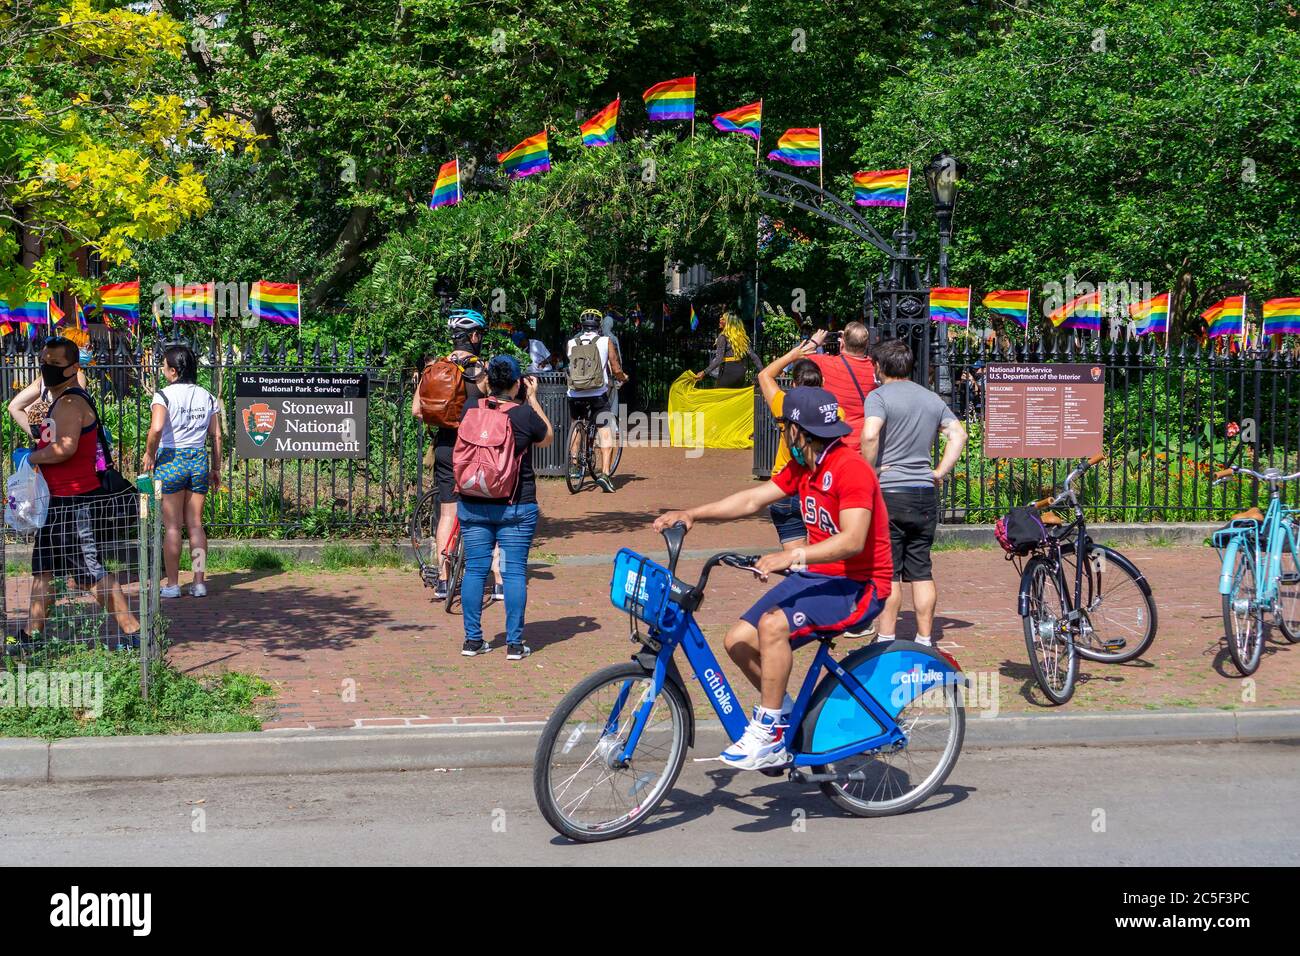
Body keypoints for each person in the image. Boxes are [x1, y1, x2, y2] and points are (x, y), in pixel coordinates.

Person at [653, 386, 893, 770]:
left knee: (772, 627)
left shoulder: (851, 470)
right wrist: (692, 513)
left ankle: (769, 733)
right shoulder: (806, 466)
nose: (782, 434)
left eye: (783, 427)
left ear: (798, 430)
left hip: (859, 586)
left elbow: (852, 540)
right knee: (737, 641)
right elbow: (752, 500)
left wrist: (791, 555)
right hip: (817, 578)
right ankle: (782, 716)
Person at [25, 337, 140, 646]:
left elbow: (65, 448)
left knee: (90, 573)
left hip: (75, 503)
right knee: (43, 570)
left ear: (74, 368)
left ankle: (134, 634)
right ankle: (31, 635)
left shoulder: (72, 402)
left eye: (55, 364)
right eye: (44, 363)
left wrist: (31, 458)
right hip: (57, 501)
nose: (47, 369)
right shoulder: (58, 401)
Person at [861, 338, 967, 648]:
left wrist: (868, 472)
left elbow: (869, 434)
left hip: (890, 491)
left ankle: (886, 636)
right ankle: (924, 638)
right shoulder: (931, 399)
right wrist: (938, 472)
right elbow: (957, 434)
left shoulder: (878, 397)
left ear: (880, 367)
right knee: (921, 567)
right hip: (923, 491)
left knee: (890, 570)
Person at [457, 355, 554, 659]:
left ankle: (473, 641)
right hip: (515, 505)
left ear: (489, 380)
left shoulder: (471, 408)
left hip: (473, 502)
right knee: (512, 573)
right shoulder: (523, 415)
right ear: (516, 383)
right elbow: (548, 437)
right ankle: (514, 644)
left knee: (474, 570)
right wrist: (534, 398)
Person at [413, 308, 489, 601]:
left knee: (447, 512)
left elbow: (417, 411)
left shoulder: (436, 368)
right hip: (473, 448)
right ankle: (483, 576)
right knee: (482, 513)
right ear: (473, 336)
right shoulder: (481, 370)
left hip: (444, 446)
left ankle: (443, 580)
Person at [140, 343, 222, 598]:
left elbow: (156, 428)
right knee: (196, 525)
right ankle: (199, 582)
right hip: (198, 459)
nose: (162, 370)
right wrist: (216, 467)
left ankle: (173, 584)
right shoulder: (206, 396)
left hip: (171, 459)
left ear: (173, 371)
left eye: (164, 366)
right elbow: (216, 435)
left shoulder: (163, 396)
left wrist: (149, 453)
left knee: (173, 527)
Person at [756, 330, 830, 550]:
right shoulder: (832, 412)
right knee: (821, 558)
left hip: (783, 487)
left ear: (794, 384)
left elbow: (764, 376)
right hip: (817, 488)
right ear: (823, 382)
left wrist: (793, 355)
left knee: (796, 561)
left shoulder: (783, 403)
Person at [565, 307, 627, 493]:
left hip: (574, 393)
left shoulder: (571, 342)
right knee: (605, 430)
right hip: (597, 394)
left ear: (582, 325)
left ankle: (575, 465)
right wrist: (623, 377)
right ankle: (605, 475)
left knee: (576, 423)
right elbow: (615, 368)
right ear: (599, 325)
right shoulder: (605, 341)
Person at [809, 320, 876, 451]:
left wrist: (815, 342)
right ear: (866, 344)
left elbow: (800, 357)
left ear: (843, 342)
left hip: (836, 441)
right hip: (865, 443)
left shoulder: (826, 363)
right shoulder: (875, 367)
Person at [696, 311, 761, 389]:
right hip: (740, 373)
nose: (720, 320)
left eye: (723, 319)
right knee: (735, 398)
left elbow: (718, 359)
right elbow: (754, 357)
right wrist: (762, 371)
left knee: (720, 397)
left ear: (728, 323)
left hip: (727, 372)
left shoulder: (723, 337)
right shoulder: (742, 338)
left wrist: (704, 372)